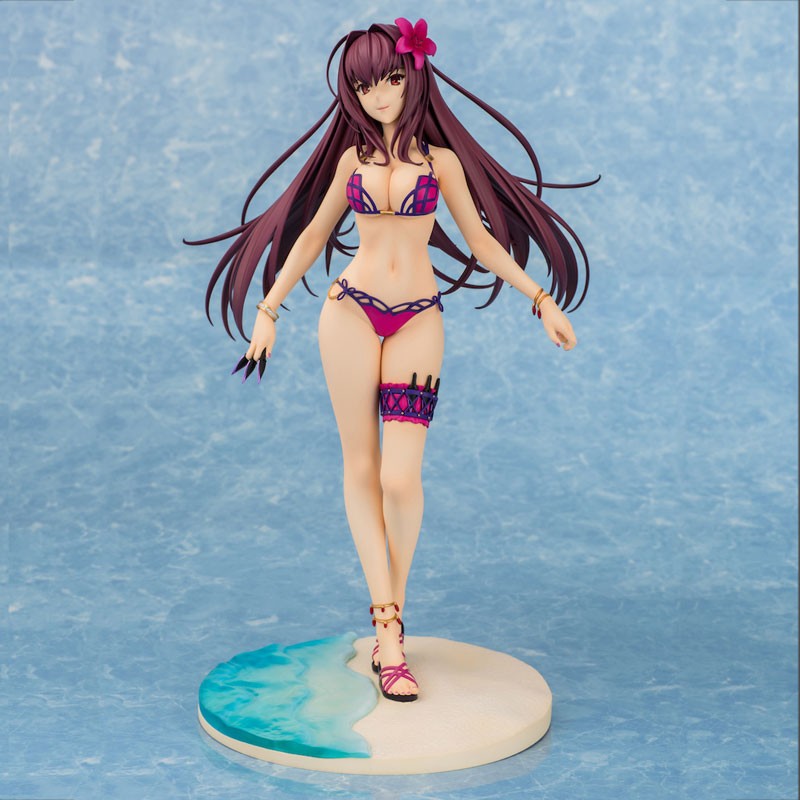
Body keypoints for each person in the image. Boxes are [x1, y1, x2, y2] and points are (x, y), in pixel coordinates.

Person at [184, 18, 597, 703]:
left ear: (414, 77)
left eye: (391, 79)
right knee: (361, 467)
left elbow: (484, 243)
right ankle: (389, 634)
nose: (379, 96)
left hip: (417, 319)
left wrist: (540, 299)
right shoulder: (351, 163)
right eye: (363, 86)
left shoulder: (444, 165)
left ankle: (391, 621)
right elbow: (311, 236)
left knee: (401, 479)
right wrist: (268, 309)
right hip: (349, 312)